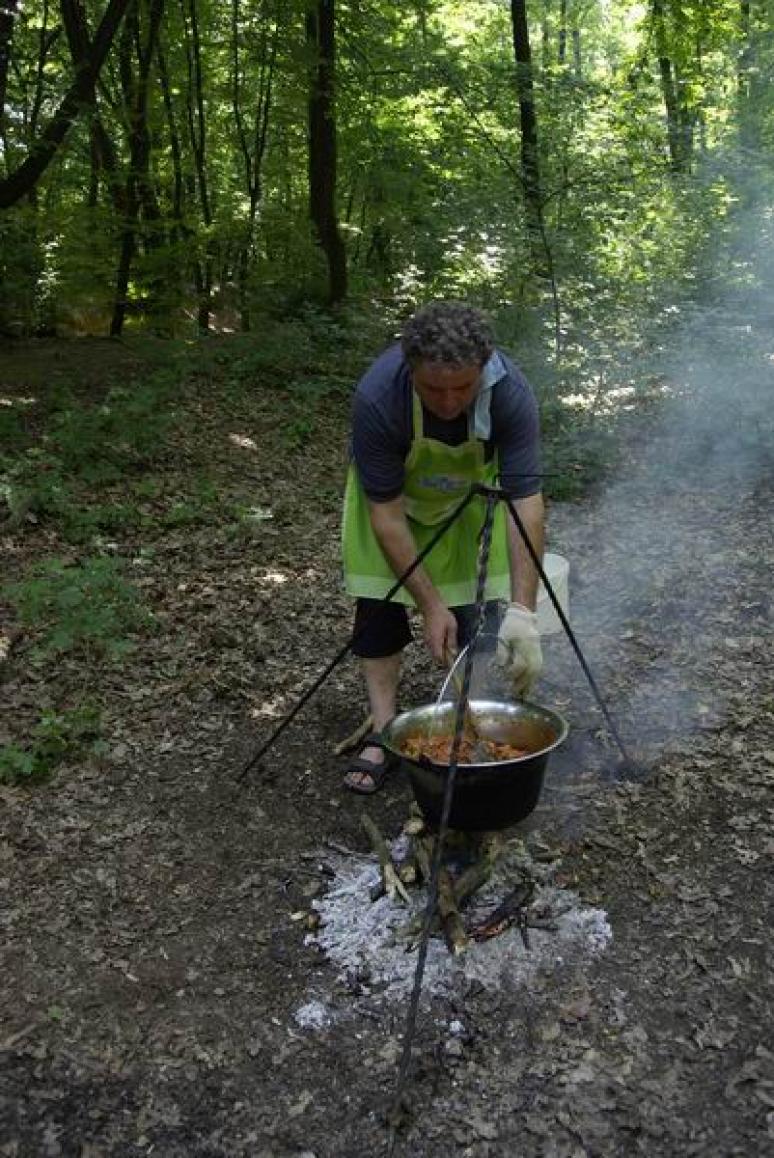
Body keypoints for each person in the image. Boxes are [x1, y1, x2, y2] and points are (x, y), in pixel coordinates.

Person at [341, 301, 545, 793]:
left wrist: (524, 611)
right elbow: (386, 516)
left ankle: (462, 724)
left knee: (474, 615)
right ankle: (385, 731)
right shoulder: (378, 398)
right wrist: (429, 606)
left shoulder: (510, 394)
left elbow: (527, 505)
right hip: (389, 505)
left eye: (464, 387)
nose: (450, 403)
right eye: (434, 388)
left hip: (463, 499)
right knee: (378, 611)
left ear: (485, 366)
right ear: (410, 370)